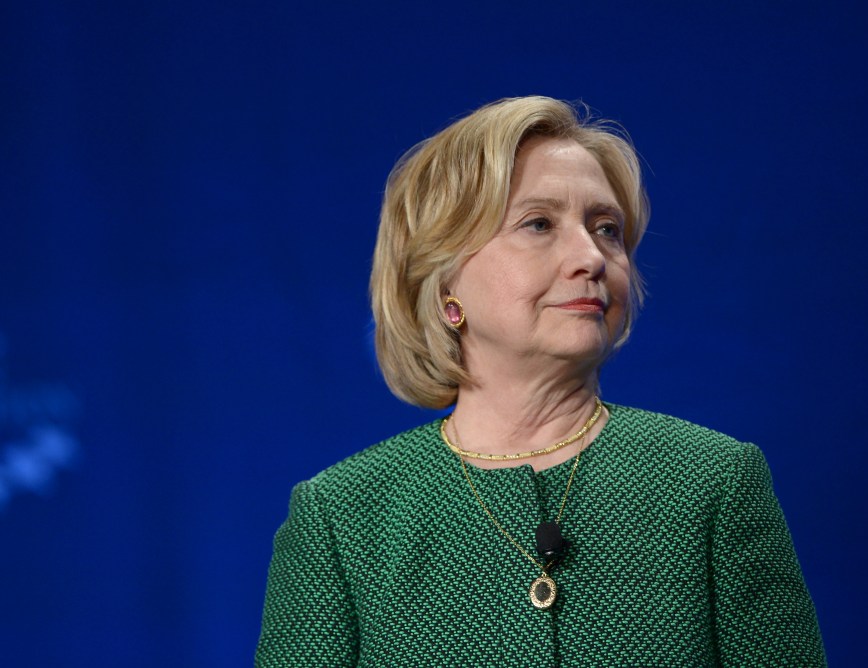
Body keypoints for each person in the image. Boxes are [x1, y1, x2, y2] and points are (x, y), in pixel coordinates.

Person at [255, 96, 826, 667]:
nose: (592, 257)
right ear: (444, 278)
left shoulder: (715, 482)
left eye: (607, 230)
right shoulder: (339, 517)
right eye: (539, 224)